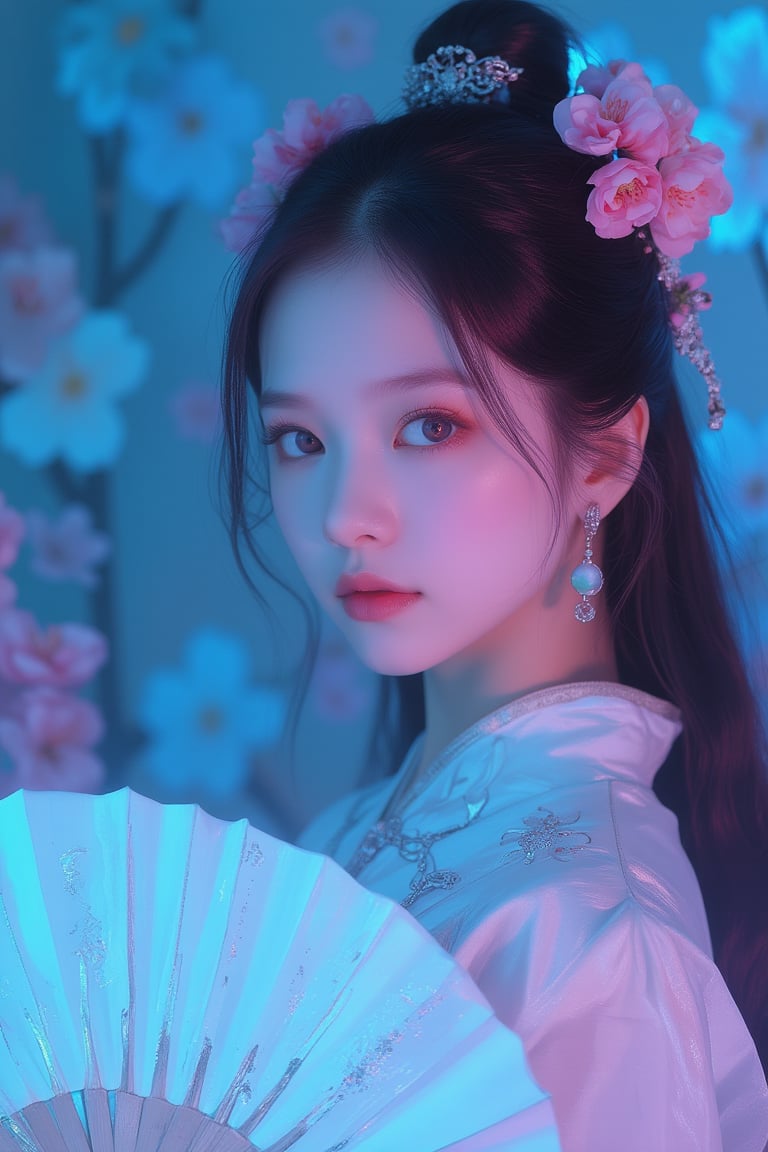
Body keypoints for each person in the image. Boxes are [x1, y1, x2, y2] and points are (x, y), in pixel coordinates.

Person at [220, 1, 768, 1147]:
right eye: (300, 440)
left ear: (608, 454)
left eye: (428, 427)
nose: (345, 517)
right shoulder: (343, 839)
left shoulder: (593, 937)